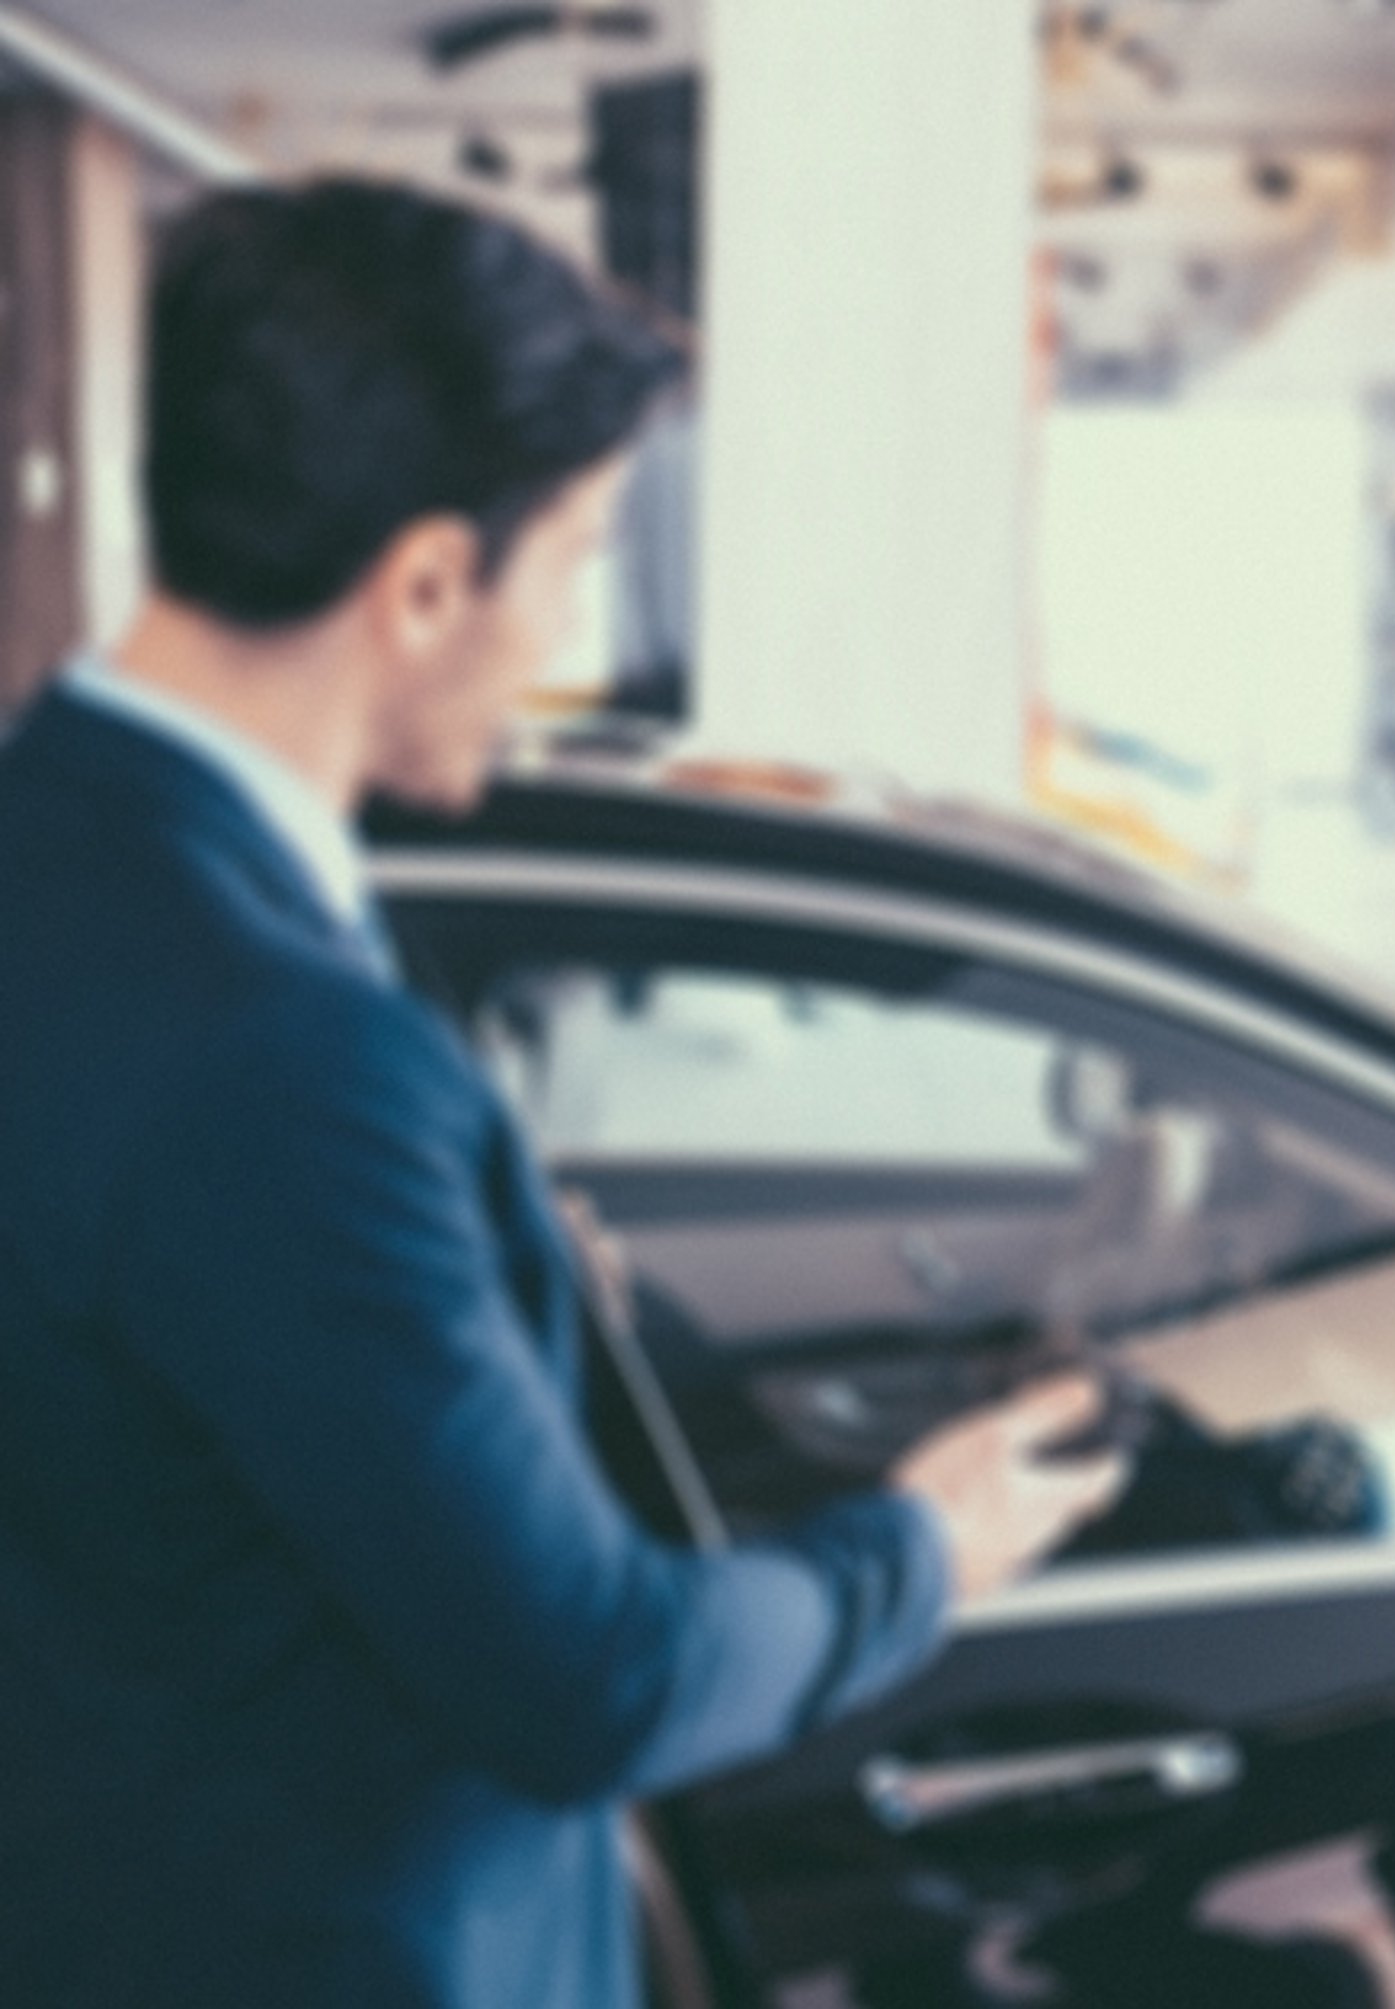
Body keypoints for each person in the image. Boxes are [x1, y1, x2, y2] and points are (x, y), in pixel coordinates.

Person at [0, 178, 1125, 2006]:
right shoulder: (278, 1057)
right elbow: (596, 1676)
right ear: (428, 581)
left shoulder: (56, 850)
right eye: (577, 557)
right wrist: (924, 1548)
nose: (574, 630)